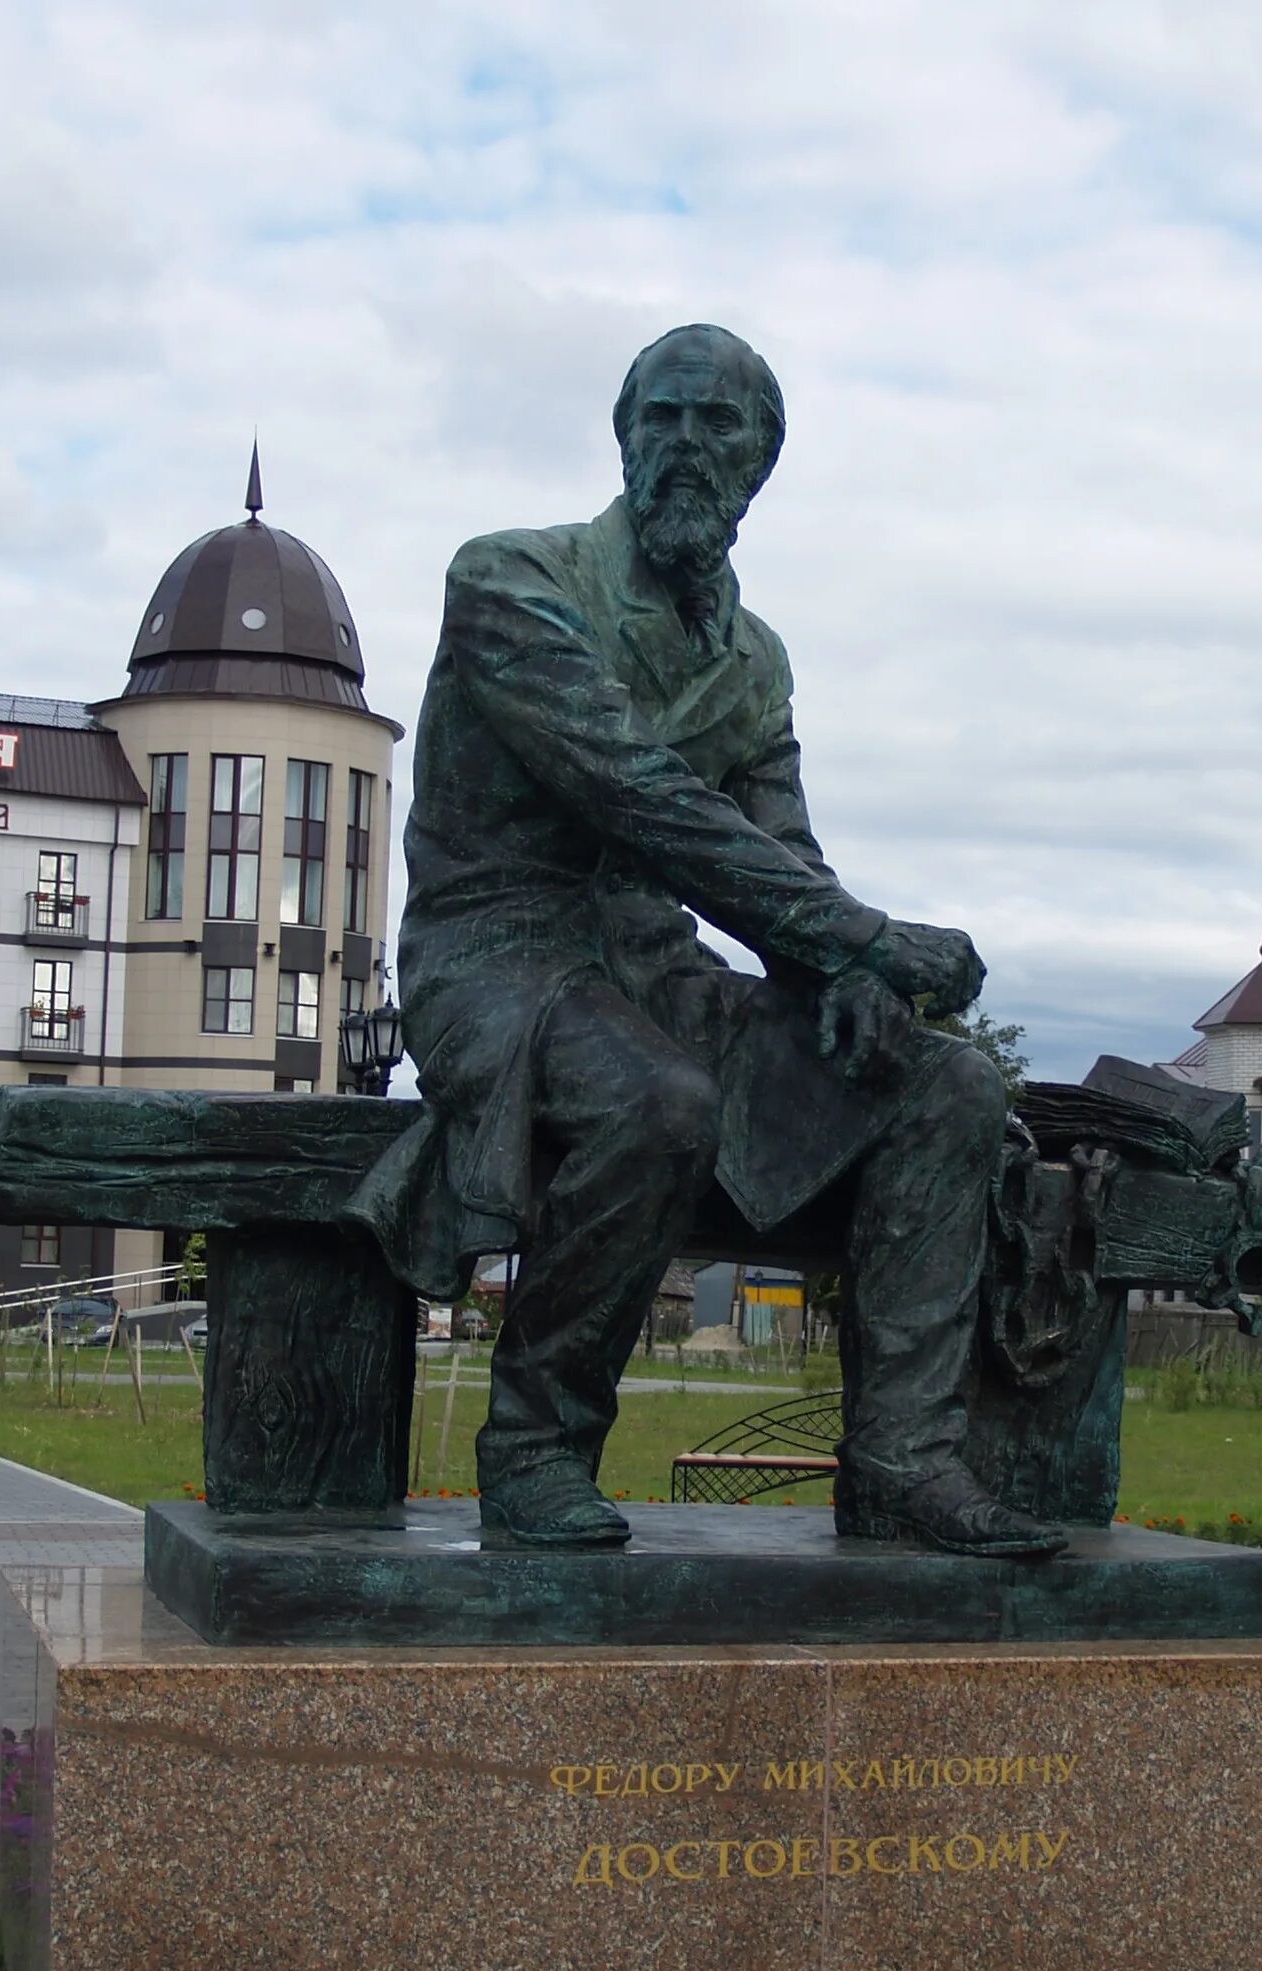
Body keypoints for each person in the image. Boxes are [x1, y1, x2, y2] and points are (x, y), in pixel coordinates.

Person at [349, 324, 1064, 1558]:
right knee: (659, 1104)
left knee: (946, 1084)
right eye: (662, 418)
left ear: (760, 465)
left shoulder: (754, 661)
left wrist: (845, 973)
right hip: (500, 957)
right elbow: (633, 791)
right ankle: (535, 1443)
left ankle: (905, 1460)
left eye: (718, 426)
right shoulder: (510, 579)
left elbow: (780, 847)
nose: (686, 446)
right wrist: (864, 938)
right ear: (623, 436)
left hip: (653, 970)